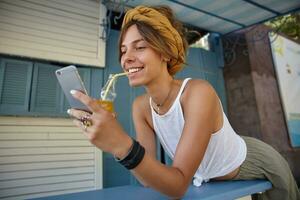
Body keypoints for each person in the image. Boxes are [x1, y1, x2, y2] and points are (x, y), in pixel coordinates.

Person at [67, 5, 300, 200]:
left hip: (256, 161)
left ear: (166, 53)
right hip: (212, 179)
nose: (126, 58)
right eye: (123, 50)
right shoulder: (140, 107)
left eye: (139, 47)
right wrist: (112, 144)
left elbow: (178, 184)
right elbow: (145, 178)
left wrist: (121, 144)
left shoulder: (198, 93)